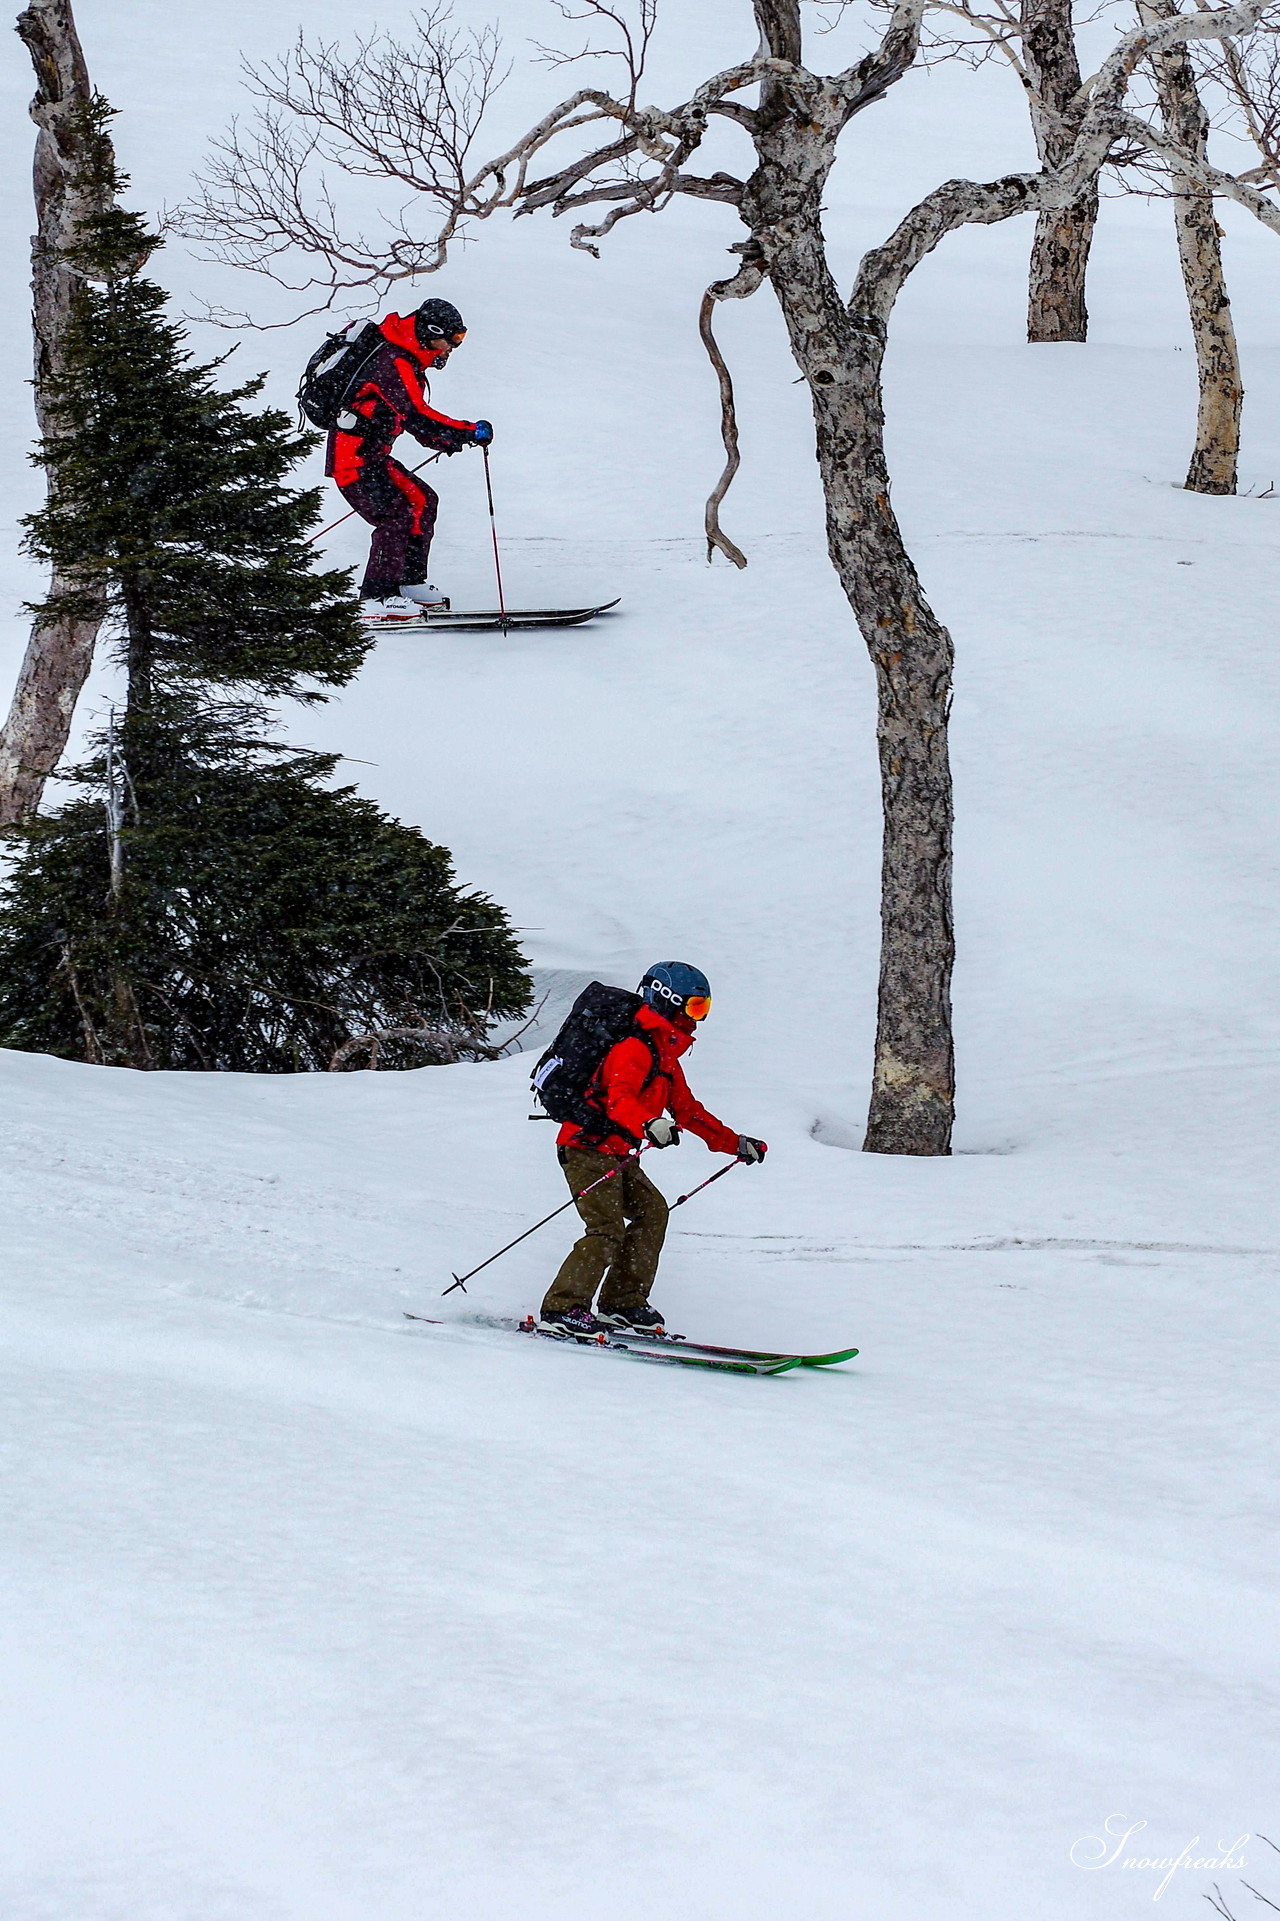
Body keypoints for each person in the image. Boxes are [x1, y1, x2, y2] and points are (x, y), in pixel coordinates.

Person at [538, 962, 768, 1337]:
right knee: (606, 1228)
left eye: (703, 1009)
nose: (699, 1018)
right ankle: (563, 1308)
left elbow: (689, 1112)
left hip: (616, 1151)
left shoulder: (665, 1058)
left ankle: (622, 1303)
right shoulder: (634, 1048)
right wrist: (648, 1124)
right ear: (667, 1001)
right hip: (585, 1147)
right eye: (694, 1007)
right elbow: (619, 1100)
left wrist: (734, 1144)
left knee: (653, 1212)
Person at [325, 297, 493, 623]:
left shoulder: (406, 359)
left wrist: (443, 439)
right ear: (430, 333)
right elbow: (418, 416)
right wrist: (468, 431)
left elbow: (408, 419)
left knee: (422, 501)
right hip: (353, 461)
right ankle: (375, 597)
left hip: (372, 457)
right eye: (451, 340)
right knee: (396, 514)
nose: (452, 349)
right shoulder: (394, 360)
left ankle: (408, 583)